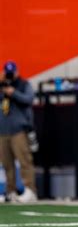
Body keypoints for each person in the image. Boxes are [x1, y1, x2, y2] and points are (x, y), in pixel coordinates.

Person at [0, 61, 38, 203]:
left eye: (12, 71)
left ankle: (30, 190)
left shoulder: (23, 84)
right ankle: (10, 192)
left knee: (24, 161)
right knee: (6, 163)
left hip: (19, 130)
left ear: (17, 71)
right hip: (3, 131)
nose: (10, 74)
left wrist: (13, 93)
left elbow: (29, 99)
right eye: (7, 71)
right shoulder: (1, 86)